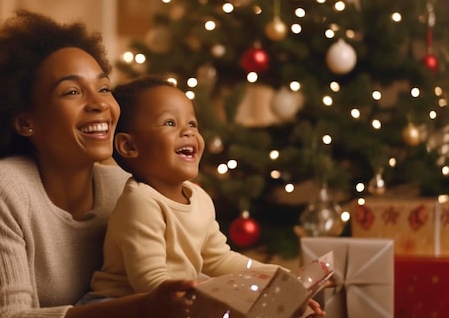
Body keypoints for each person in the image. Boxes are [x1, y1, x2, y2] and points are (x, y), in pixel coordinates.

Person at [0, 11, 196, 318]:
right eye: (72, 91)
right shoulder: (0, 188)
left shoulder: (124, 188)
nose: (100, 104)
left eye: (104, 88)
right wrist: (142, 306)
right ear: (25, 121)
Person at [83, 76, 326, 316]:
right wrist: (205, 301)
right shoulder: (141, 202)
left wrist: (278, 277)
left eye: (192, 124)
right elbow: (150, 282)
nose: (187, 133)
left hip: (169, 302)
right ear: (129, 147)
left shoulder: (199, 198)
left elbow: (220, 259)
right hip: (118, 306)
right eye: (169, 123)